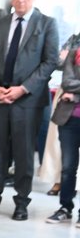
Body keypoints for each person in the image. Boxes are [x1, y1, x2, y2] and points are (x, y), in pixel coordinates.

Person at [0, 0, 60, 220]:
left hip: (27, 100)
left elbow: (50, 61)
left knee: (23, 153)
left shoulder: (46, 24)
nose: (20, 0)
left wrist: (23, 88)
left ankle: (21, 202)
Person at [44, 31, 80, 225]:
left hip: (72, 105)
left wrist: (75, 95)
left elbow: (71, 87)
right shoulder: (74, 53)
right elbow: (66, 82)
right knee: (67, 168)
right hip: (69, 119)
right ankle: (65, 207)